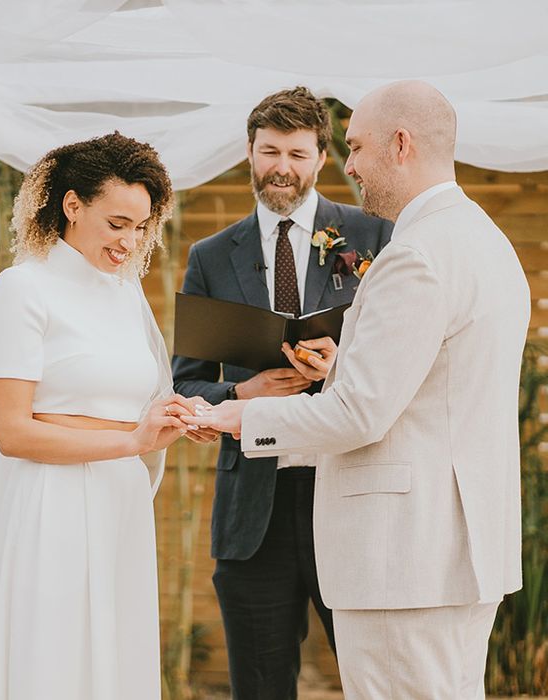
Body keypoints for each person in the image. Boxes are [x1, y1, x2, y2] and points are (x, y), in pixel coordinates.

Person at [181, 81, 531, 700]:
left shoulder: (414, 254)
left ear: (401, 145)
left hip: (405, 554)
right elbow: (429, 386)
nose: (349, 166)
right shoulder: (483, 240)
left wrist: (238, 413)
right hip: (456, 548)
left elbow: (360, 413)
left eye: (357, 146)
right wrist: (344, 365)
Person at [0, 132, 214, 700]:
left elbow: (128, 410)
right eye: (116, 223)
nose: (129, 241)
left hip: (119, 505)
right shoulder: (23, 290)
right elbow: (12, 431)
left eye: (140, 226)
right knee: (53, 666)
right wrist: (133, 442)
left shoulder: (125, 296)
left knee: (112, 665)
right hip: (52, 507)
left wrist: (172, 420)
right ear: (72, 206)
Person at [171, 87, 392, 700]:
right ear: (249, 152)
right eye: (269, 151)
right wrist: (246, 389)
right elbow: (184, 383)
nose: (282, 168)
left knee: (376, 681)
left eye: (297, 153)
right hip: (253, 510)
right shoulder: (211, 256)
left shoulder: (375, 237)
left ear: (322, 157)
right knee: (260, 686)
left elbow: (402, 366)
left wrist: (339, 369)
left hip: (349, 493)